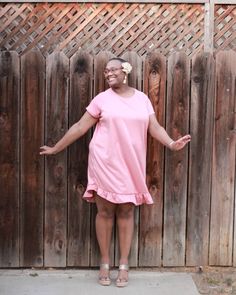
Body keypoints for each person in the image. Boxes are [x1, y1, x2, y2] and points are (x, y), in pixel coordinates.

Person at [40, 57, 191, 287]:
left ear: (125, 72)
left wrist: (171, 144)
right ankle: (104, 262)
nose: (108, 73)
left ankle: (123, 264)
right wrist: (55, 148)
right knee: (105, 212)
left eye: (113, 69)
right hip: (105, 163)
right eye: (106, 71)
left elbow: (155, 127)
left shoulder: (142, 99)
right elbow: (80, 127)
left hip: (131, 165)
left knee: (127, 212)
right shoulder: (102, 99)